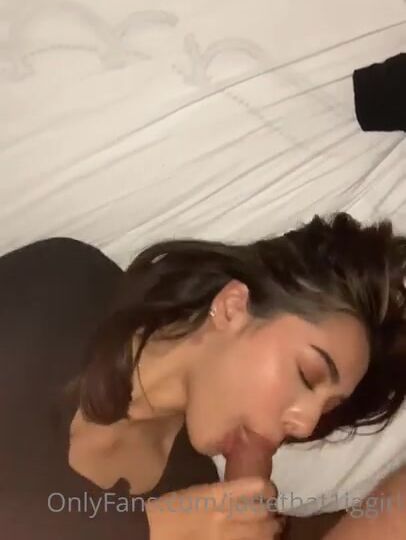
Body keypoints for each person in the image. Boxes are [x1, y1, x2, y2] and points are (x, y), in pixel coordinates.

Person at [1, 212, 406, 539]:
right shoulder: (65, 289)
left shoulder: (192, 489)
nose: (304, 424)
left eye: (327, 408)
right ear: (232, 307)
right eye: (307, 374)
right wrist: (147, 530)